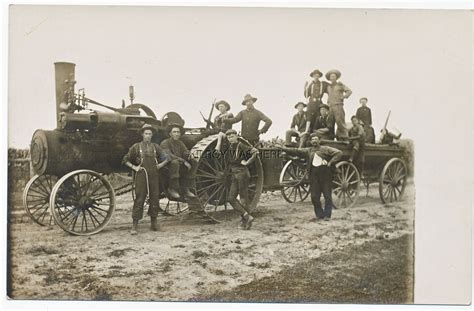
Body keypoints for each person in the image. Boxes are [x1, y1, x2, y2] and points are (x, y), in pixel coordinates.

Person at [276, 134, 342, 220]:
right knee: (314, 196)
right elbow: (296, 150)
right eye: (313, 140)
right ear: (311, 142)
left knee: (327, 196)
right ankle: (319, 214)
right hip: (314, 175)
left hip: (325, 174)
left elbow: (339, 153)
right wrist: (283, 148)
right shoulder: (308, 150)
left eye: (316, 139)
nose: (314, 141)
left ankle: (327, 215)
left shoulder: (326, 149)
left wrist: (331, 162)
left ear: (319, 141)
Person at [122, 124, 170, 234]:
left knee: (154, 197)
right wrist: (135, 167)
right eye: (146, 134)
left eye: (150, 134)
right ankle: (135, 225)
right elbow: (125, 160)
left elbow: (167, 158)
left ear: (152, 135)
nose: (148, 136)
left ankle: (154, 223)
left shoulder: (155, 147)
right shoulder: (136, 147)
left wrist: (160, 166)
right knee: (140, 198)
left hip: (154, 175)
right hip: (142, 175)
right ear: (142, 134)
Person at [224, 129, 259, 229]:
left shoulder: (241, 145)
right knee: (231, 198)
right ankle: (246, 216)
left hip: (242, 173)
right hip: (234, 174)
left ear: (236, 136)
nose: (230, 139)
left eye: (232, 136)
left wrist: (247, 162)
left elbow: (255, 152)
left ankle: (245, 222)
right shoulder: (230, 147)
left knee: (243, 198)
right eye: (228, 137)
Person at [160, 124, 196, 199]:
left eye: (178, 132)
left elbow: (185, 152)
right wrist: (183, 161)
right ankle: (172, 188)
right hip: (167, 166)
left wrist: (191, 156)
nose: (176, 134)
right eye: (174, 132)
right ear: (170, 133)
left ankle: (186, 187)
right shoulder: (165, 143)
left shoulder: (180, 143)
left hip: (179, 164)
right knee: (174, 162)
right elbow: (169, 156)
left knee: (194, 161)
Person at [324, 69, 352, 140]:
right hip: (331, 106)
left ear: (336, 77)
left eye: (334, 76)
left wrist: (343, 96)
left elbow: (349, 91)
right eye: (331, 77)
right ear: (329, 78)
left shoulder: (340, 84)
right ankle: (331, 138)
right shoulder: (328, 87)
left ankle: (344, 138)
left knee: (340, 122)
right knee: (330, 123)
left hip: (338, 105)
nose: (332, 78)